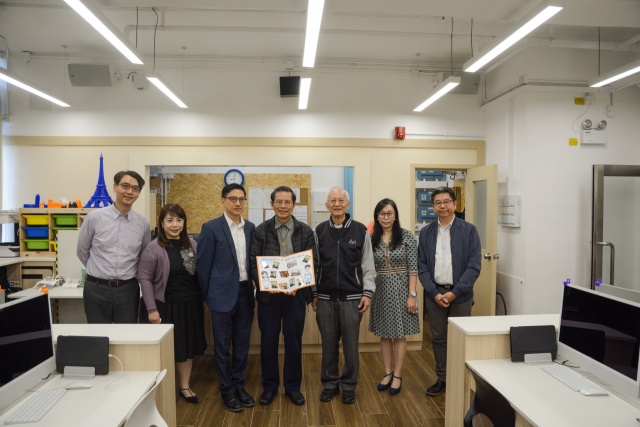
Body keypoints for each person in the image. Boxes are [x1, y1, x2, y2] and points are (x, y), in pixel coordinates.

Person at [250, 186, 318, 407]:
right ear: (272, 204)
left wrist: (299, 286)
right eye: (278, 202)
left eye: (287, 202)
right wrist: (265, 285)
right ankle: (269, 387)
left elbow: (312, 263)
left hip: (295, 297)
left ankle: (292, 387)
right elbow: (253, 263)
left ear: (294, 205)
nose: (283, 206)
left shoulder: (305, 231)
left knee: (293, 342)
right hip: (269, 298)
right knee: (268, 342)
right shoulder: (261, 231)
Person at [138, 203, 206, 404]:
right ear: (161, 223)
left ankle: (184, 386)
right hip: (165, 306)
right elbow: (144, 278)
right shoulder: (154, 248)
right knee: (167, 349)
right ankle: (161, 389)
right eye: (169, 220)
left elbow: (198, 274)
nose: (175, 225)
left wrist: (203, 300)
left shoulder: (191, 244)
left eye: (179, 220)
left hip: (190, 304)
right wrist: (152, 309)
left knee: (187, 347)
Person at [197, 183, 256, 412]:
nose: (238, 203)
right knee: (222, 346)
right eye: (233, 199)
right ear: (223, 201)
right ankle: (227, 390)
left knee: (242, 344)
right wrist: (204, 297)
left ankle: (239, 385)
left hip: (245, 294)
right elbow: (203, 266)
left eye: (241, 199)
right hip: (221, 296)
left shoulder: (250, 228)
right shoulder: (211, 228)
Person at [314, 187, 376, 404]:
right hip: (325, 299)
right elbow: (314, 265)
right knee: (328, 346)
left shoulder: (360, 231)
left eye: (341, 200)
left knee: (351, 347)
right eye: (333, 200)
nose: (337, 204)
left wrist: (367, 293)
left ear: (348, 204)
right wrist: (314, 293)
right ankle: (330, 383)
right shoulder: (319, 231)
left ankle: (349, 385)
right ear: (327, 205)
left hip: (353, 300)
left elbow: (368, 266)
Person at [418, 186, 481, 396]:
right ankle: (443, 378)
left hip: (461, 295)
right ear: (433, 206)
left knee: (461, 338)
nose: (442, 206)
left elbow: (474, 267)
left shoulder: (469, 230)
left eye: (446, 202)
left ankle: (461, 378)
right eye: (438, 203)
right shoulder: (426, 232)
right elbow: (422, 266)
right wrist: (434, 293)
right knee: (439, 338)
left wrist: (456, 292)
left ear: (455, 204)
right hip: (435, 294)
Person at [77, 170, 151, 323]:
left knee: (126, 334)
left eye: (135, 188)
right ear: (115, 187)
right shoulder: (94, 218)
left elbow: (143, 256)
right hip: (96, 288)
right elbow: (82, 251)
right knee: (97, 334)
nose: (129, 192)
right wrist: (99, 271)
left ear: (138, 193)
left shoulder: (143, 223)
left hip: (127, 290)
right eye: (125, 186)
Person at [368, 198, 420, 396]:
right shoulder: (371, 238)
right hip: (380, 291)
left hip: (402, 290)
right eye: (382, 214)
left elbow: (413, 269)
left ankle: (397, 375)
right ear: (377, 216)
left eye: (389, 213)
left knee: (399, 335)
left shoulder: (406, 236)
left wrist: (412, 295)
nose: (386, 217)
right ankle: (387, 372)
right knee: (384, 334)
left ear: (395, 215)